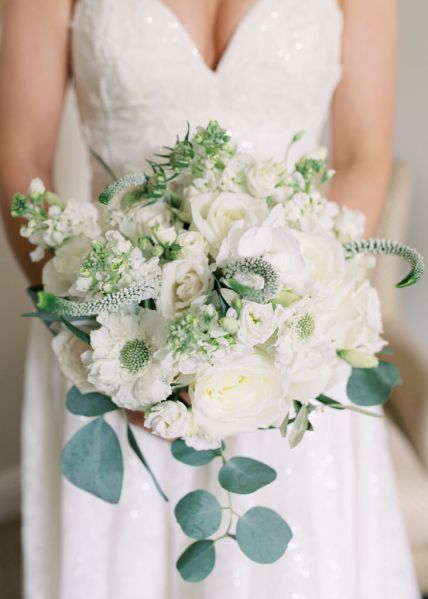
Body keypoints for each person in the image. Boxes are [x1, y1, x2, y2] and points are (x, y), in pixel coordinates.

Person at [0, 0, 420, 597]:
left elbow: (362, 157)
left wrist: (292, 319)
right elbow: (20, 161)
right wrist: (101, 332)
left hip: (293, 346)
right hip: (113, 342)